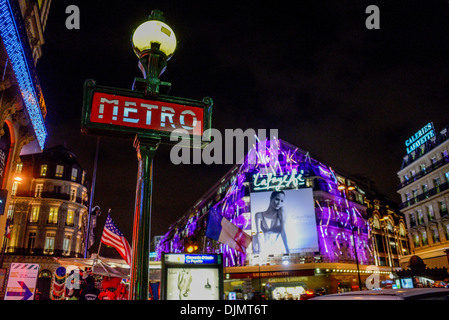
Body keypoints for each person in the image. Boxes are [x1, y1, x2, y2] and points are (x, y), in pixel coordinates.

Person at [253, 191, 289, 255]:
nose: (279, 203)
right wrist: (260, 252)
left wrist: (288, 250)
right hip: (263, 248)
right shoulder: (259, 215)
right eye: (277, 199)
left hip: (278, 249)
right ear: (271, 198)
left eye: (282, 201)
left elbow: (284, 232)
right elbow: (259, 234)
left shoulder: (281, 212)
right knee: (254, 236)